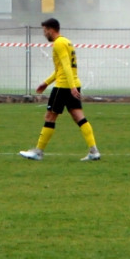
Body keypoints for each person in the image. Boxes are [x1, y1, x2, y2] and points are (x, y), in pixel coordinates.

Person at [19, 17, 101, 161]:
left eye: (45, 31)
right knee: (79, 117)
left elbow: (66, 66)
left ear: (51, 30)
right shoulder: (67, 42)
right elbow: (61, 69)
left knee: (50, 117)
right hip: (71, 83)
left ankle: (38, 152)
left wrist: (71, 87)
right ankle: (94, 151)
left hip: (64, 87)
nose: (44, 34)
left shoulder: (58, 44)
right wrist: (46, 82)